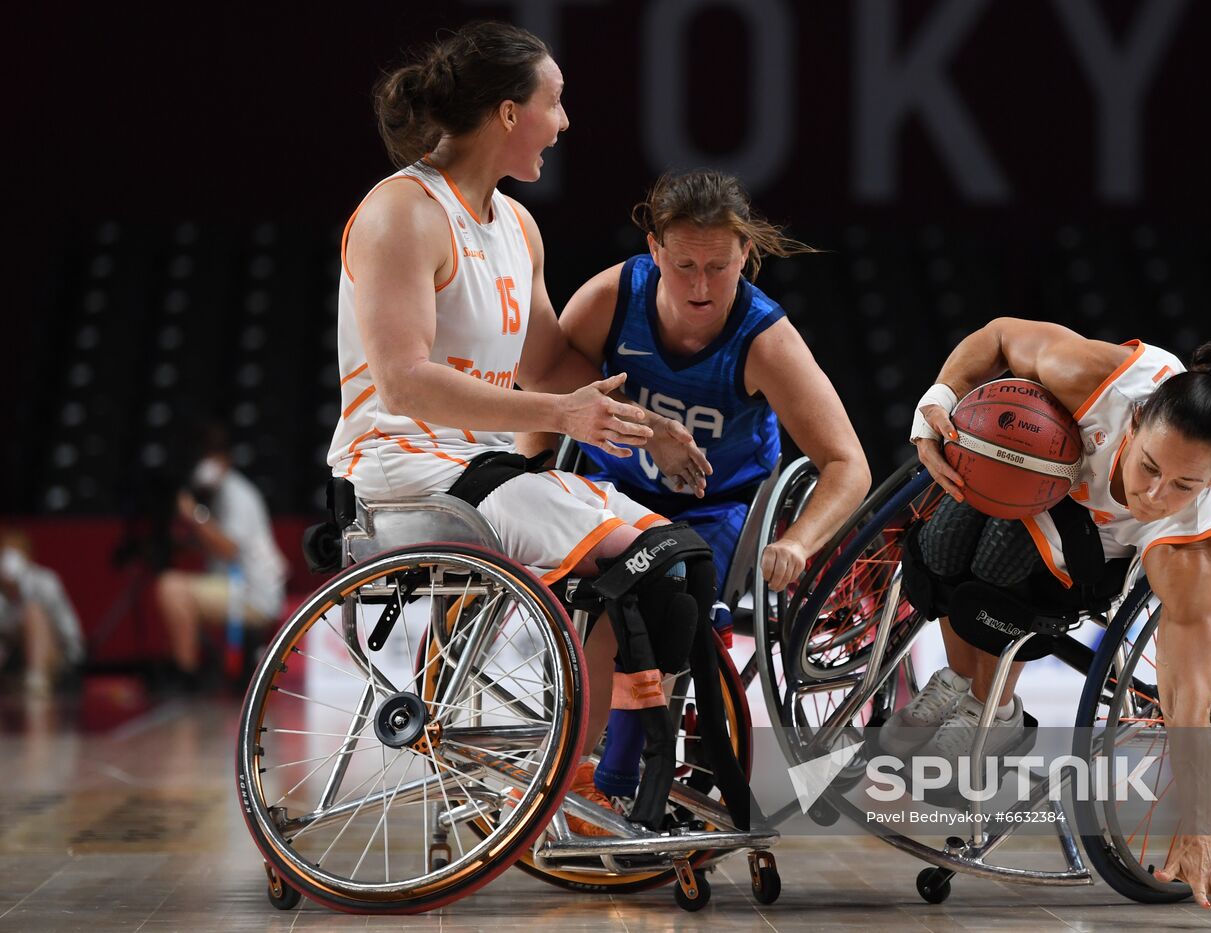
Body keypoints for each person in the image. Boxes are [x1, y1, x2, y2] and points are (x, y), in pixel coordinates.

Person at [326, 22, 736, 836]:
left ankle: (602, 775)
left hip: (478, 468)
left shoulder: (516, 225)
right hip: (397, 467)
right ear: (509, 114)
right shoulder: (400, 212)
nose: (566, 120)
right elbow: (405, 380)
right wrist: (559, 416)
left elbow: (549, 364)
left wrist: (648, 428)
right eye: (556, 102)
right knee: (646, 564)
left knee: (679, 565)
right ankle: (591, 784)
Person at [896, 317, 1211, 912]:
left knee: (998, 576)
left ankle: (998, 711)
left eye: (1182, 485)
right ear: (1138, 420)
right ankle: (965, 688)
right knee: (938, 550)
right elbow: (996, 337)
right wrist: (936, 402)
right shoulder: (1099, 381)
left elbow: (1189, 686)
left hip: (1101, 553)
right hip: (1050, 478)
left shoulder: (1190, 541)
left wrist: (1197, 826)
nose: (1155, 494)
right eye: (1149, 467)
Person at [539, 169, 870, 799]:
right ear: (655, 249)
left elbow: (847, 463)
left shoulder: (765, 339)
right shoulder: (613, 297)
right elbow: (551, 383)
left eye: (718, 267)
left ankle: (604, 782)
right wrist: (542, 468)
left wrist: (798, 543)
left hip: (711, 509)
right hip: (610, 485)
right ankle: (579, 779)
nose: (700, 286)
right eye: (684, 263)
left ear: (746, 254)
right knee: (603, 586)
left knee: (649, 591)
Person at [156, 424, 288, 686]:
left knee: (171, 588)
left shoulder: (237, 493)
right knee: (176, 584)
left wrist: (193, 514)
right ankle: (199, 669)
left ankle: (187, 676)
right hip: (237, 587)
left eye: (212, 457)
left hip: (254, 594)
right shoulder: (218, 495)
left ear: (225, 459)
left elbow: (229, 548)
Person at [0, 529, 85, 697]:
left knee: (33, 612)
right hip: (12, 657)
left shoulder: (45, 582)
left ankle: (36, 681)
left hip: (53, 657)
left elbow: (69, 633)